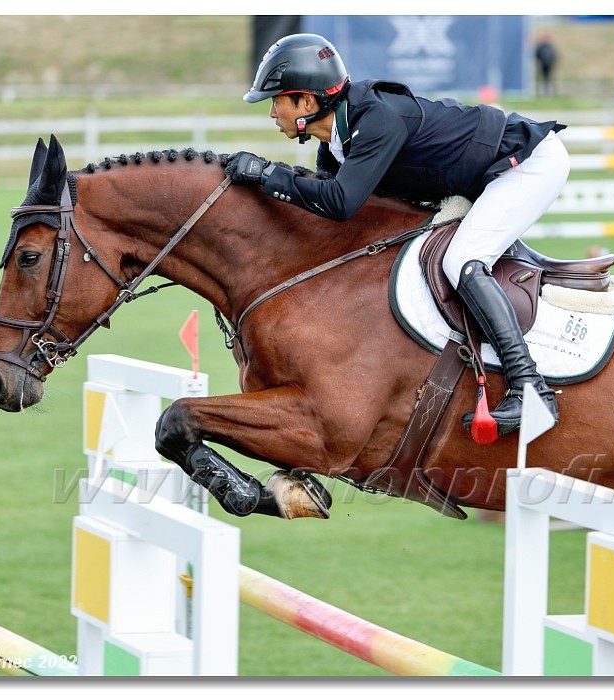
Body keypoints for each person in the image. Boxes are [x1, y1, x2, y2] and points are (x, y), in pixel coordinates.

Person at [225, 33, 570, 439]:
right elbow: (327, 208)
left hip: (526, 164)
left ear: (306, 102)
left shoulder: (376, 120)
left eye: (275, 100)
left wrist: (268, 174)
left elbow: (339, 202)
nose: (271, 113)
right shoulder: (337, 141)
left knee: (461, 262)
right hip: (486, 170)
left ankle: (531, 389)